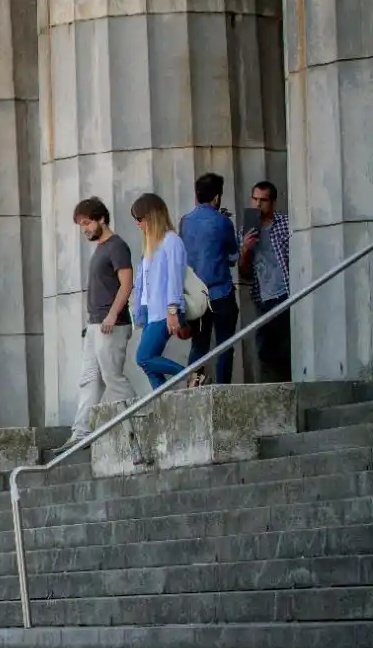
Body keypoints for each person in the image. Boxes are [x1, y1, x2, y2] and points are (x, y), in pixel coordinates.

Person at [56, 196, 138, 453]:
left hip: (110, 324)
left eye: (87, 223)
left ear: (101, 218)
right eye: (81, 225)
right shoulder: (101, 248)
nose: (85, 229)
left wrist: (112, 315)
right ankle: (80, 433)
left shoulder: (117, 246)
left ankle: (136, 430)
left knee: (113, 378)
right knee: (89, 380)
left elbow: (127, 284)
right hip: (95, 325)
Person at [179, 172, 240, 385]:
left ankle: (193, 389)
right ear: (216, 198)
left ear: (196, 197)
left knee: (199, 345)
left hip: (197, 295)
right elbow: (233, 255)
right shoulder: (223, 222)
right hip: (221, 292)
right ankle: (223, 389)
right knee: (225, 345)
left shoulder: (184, 222)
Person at [131, 193, 191, 390]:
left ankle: (191, 375)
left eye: (140, 219)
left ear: (151, 217)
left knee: (143, 357)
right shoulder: (150, 246)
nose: (138, 224)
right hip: (150, 311)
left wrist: (172, 310)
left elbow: (175, 277)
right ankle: (163, 402)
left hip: (165, 309)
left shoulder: (171, 241)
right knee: (149, 364)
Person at [238, 180, 292, 382]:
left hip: (287, 294)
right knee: (265, 349)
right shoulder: (246, 231)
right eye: (255, 199)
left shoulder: (286, 224)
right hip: (263, 299)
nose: (258, 205)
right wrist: (245, 250)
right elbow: (244, 274)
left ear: (273, 202)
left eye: (263, 200)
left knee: (287, 348)